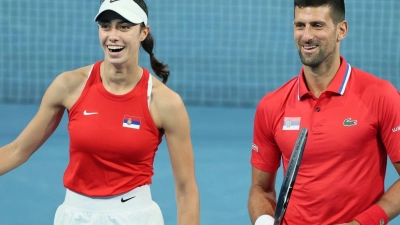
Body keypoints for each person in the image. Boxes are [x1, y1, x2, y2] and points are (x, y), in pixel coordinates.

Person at [0, 0, 200, 224]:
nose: (113, 35)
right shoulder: (68, 85)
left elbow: (186, 190)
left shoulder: (166, 102)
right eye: (106, 26)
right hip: (74, 216)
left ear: (143, 32)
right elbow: (18, 150)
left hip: (136, 217)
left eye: (124, 27)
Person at [248, 0, 400, 224]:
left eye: (317, 25)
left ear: (342, 30)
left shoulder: (381, 96)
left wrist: (362, 223)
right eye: (300, 25)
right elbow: (260, 188)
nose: (306, 36)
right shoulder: (271, 105)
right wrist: (263, 220)